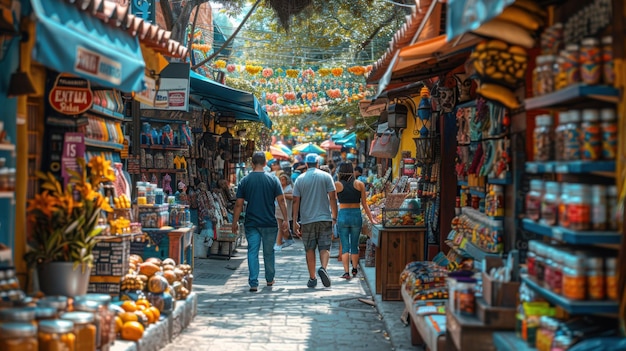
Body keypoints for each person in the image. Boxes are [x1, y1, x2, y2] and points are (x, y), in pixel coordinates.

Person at [233, 152, 290, 292]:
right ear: (265, 163)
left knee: (252, 251)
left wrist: (234, 222)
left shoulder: (245, 181)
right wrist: (286, 219)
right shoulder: (273, 180)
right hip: (269, 222)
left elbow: (239, 204)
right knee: (268, 252)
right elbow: (281, 200)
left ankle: (253, 282)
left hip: (251, 222)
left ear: (252, 163)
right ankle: (270, 279)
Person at [292, 153, 338, 288]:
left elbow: (295, 200)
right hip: (325, 218)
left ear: (306, 165)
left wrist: (294, 220)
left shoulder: (300, 179)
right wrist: (334, 216)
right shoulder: (327, 176)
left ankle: (312, 278)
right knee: (325, 247)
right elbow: (333, 197)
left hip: (307, 220)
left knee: (309, 249)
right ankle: (323, 268)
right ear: (318, 164)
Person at [334, 162, 377, 279]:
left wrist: (333, 217)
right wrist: (371, 219)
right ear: (352, 171)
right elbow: (365, 204)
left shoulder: (337, 184)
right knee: (355, 244)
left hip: (343, 215)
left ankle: (346, 272)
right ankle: (354, 269)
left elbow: (334, 200)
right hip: (356, 215)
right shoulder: (359, 184)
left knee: (345, 245)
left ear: (340, 172)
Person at [274, 171, 295, 250]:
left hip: (286, 208)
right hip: (277, 208)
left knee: (284, 226)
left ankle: (285, 240)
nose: (282, 181)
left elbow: (293, 196)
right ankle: (281, 242)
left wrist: (283, 195)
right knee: (280, 226)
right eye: (281, 179)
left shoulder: (289, 188)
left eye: (283, 179)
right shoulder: (278, 187)